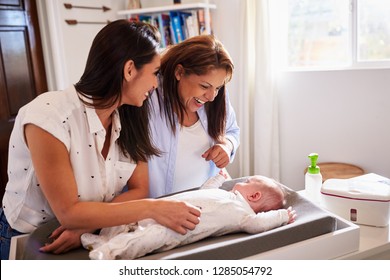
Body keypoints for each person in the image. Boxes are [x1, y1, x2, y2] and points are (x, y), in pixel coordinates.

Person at [0, 20, 201, 260]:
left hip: (89, 234)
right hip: (28, 239)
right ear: (129, 70)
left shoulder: (130, 118)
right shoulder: (49, 116)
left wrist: (88, 226)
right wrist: (155, 209)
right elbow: (69, 214)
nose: (156, 84)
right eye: (155, 73)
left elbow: (139, 189)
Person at [81, 175, 297, 260]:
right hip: (162, 209)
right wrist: (216, 180)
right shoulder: (225, 193)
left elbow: (256, 225)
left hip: (177, 229)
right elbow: (203, 190)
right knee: (126, 219)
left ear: (254, 195)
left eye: (249, 180)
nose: (244, 179)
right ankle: (103, 239)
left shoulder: (243, 214)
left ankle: (108, 253)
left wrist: (280, 216)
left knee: (144, 239)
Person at [148, 35, 240, 197]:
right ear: (179, 72)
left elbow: (232, 131)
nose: (211, 96)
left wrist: (227, 146)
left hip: (208, 200)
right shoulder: (150, 97)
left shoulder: (216, 98)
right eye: (205, 86)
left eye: (218, 87)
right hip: (162, 208)